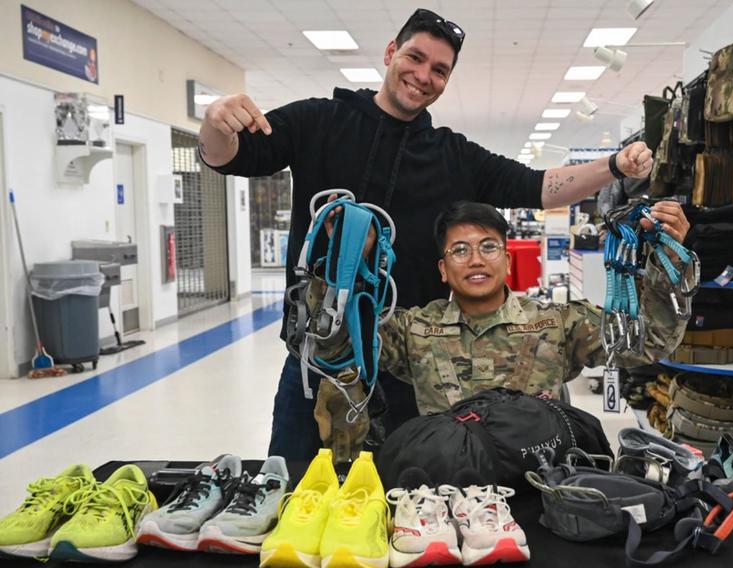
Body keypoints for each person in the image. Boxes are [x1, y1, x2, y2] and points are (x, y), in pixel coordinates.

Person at [198, 8, 656, 461]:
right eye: (415, 58)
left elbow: (537, 186)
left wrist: (614, 167)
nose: (423, 75)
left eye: (439, 70)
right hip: (317, 366)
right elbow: (231, 155)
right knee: (295, 497)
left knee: (408, 510)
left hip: (410, 373)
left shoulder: (452, 156)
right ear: (391, 51)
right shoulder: (319, 122)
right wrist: (214, 121)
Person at [312, 201, 689, 418]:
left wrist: (670, 259)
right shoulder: (415, 329)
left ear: (507, 261)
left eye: (488, 247)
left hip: (538, 492)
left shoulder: (557, 323)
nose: (475, 259)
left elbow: (650, 342)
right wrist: (342, 267)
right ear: (443, 270)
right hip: (444, 497)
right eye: (460, 250)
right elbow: (339, 352)